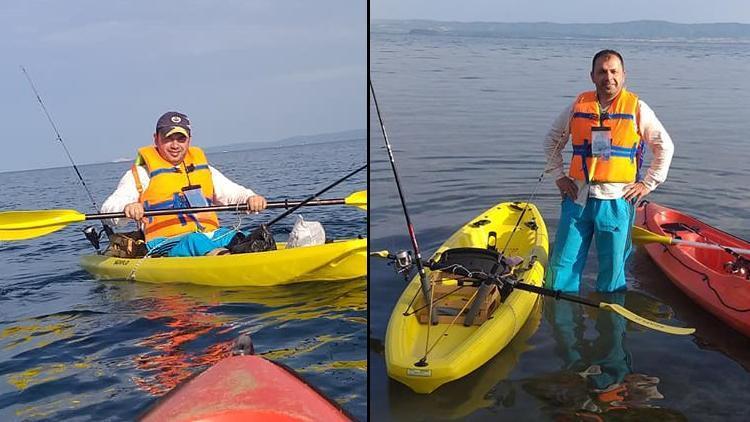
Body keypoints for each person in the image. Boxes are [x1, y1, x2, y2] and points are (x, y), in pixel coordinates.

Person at [545, 50, 674, 292]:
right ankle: (560, 315)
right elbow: (551, 140)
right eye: (602, 72)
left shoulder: (637, 108)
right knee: (562, 266)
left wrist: (648, 183)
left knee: (612, 272)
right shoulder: (578, 106)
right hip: (577, 198)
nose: (608, 77)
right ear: (592, 76)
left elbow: (664, 146)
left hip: (616, 201)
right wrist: (559, 176)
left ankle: (610, 319)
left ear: (624, 75)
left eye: (614, 71)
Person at [101, 111, 268, 257]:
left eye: (181, 139)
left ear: (189, 140)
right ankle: (226, 261)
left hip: (210, 235)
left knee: (249, 237)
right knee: (195, 241)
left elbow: (232, 192)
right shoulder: (141, 174)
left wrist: (250, 198)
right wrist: (127, 208)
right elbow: (108, 209)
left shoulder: (205, 169)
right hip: (163, 243)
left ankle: (246, 256)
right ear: (156, 139)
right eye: (168, 139)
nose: (175, 145)